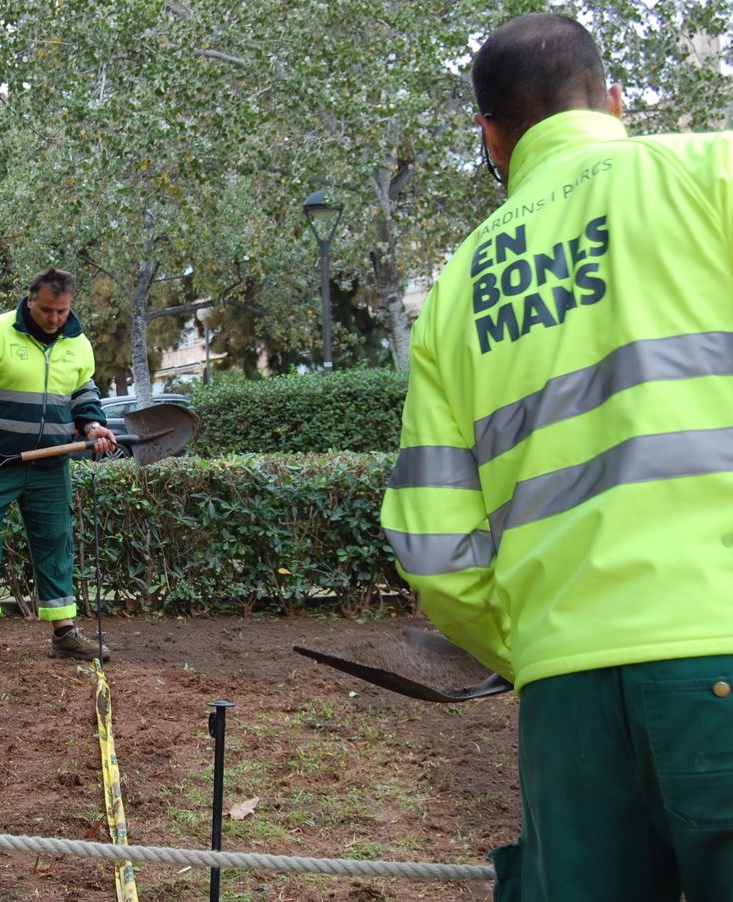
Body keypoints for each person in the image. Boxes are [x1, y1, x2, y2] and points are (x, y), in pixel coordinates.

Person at [380, 13, 733, 900]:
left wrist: (539, 641)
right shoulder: (708, 173)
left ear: (490, 136)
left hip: (564, 697)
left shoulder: (457, 289)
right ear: (613, 100)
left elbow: (435, 553)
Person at [0, 268, 118, 662]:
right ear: (30, 301)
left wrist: (93, 426)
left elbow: (83, 394)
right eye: (46, 310)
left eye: (61, 311)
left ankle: (63, 633)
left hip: (51, 463)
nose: (55, 318)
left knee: (55, 541)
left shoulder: (78, 343)